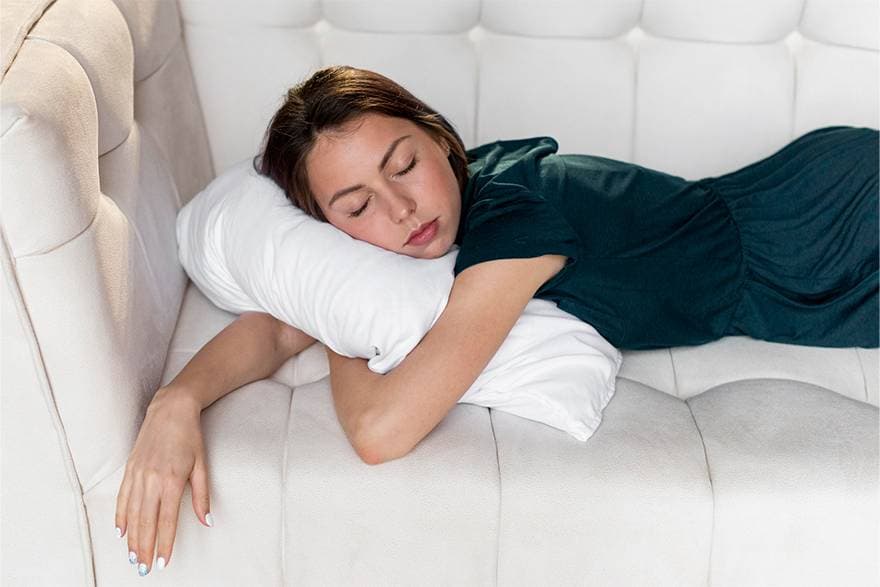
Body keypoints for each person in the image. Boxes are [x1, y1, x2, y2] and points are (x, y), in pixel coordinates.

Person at [115, 64, 879, 576]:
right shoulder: (443, 220)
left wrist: (345, 331)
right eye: (355, 207)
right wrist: (177, 399)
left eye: (404, 163)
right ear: (331, 230)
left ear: (440, 137)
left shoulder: (514, 220)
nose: (400, 208)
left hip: (828, 231)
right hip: (791, 256)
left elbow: (382, 430)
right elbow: (282, 325)